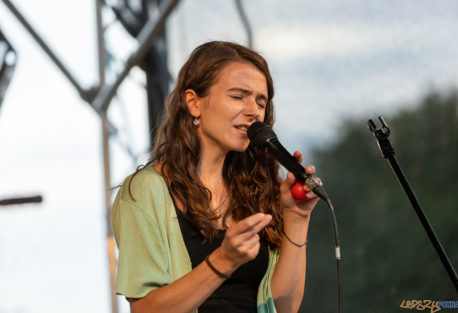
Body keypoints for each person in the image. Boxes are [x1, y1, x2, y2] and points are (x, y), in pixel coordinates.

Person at [111, 41, 321, 313]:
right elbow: (146, 310)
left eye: (261, 101)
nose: (254, 111)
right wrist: (223, 261)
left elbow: (283, 306)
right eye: (238, 96)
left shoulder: (257, 190)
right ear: (193, 103)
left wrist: (297, 218)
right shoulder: (144, 192)